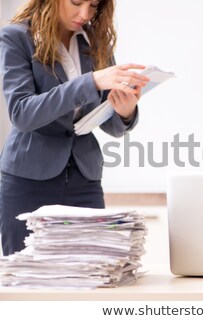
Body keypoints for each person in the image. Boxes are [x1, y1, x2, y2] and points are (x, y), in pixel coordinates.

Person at [0, 0, 150, 255]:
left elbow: (112, 126)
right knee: (28, 280)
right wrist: (90, 81)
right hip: (28, 179)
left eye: (93, 5)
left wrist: (125, 111)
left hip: (85, 180)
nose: (85, 14)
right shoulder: (16, 38)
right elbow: (22, 113)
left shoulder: (96, 42)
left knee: (93, 272)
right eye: (76, 2)